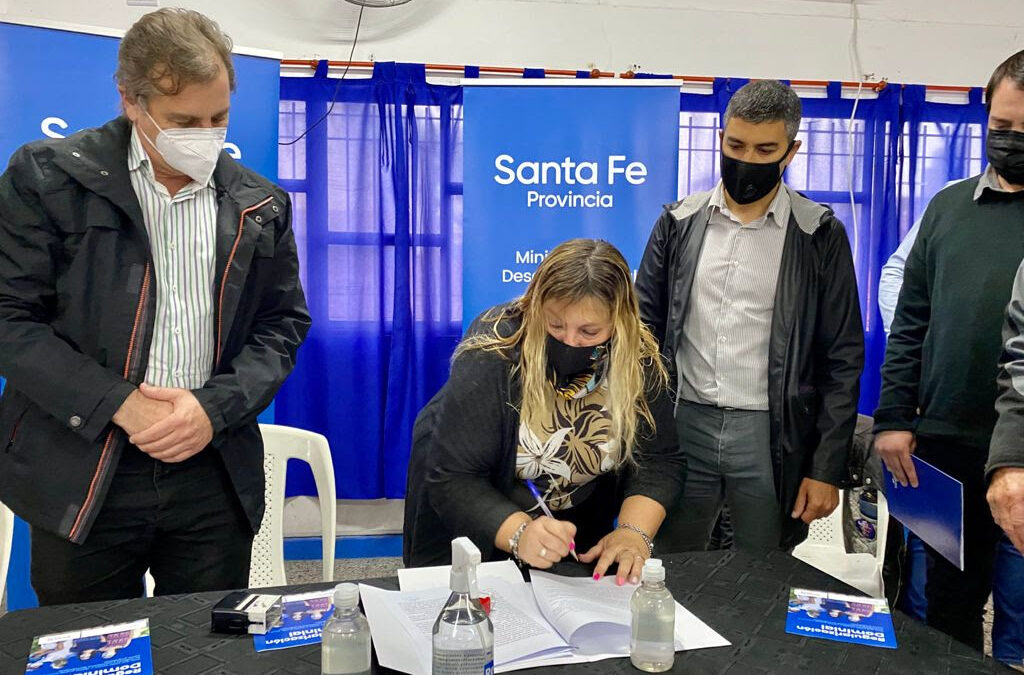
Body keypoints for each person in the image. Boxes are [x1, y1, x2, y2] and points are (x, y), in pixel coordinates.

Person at [0, 8, 310, 604]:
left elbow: (281, 326)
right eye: (183, 120)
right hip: (83, 466)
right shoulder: (47, 180)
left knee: (207, 644)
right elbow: (10, 321)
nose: (205, 134)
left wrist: (211, 409)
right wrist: (119, 405)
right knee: (88, 646)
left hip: (211, 467)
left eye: (218, 117)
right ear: (129, 100)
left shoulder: (258, 202)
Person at [636, 79, 864, 554]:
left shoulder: (819, 234)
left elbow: (842, 359)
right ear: (720, 137)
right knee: (671, 563)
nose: (748, 160)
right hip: (684, 422)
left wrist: (825, 469)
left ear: (792, 150)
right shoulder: (677, 223)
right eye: (736, 144)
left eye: (765, 149)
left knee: (764, 570)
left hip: (771, 433)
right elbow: (642, 330)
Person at [403, 239, 686, 584]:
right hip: (474, 506)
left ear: (619, 320)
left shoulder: (638, 358)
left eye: (589, 331)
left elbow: (659, 461)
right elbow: (454, 477)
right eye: (555, 325)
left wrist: (633, 532)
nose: (569, 341)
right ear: (536, 306)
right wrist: (520, 533)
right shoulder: (493, 349)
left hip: (573, 511)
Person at [874, 49, 1024, 653]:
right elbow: (909, 323)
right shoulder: (949, 208)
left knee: (1017, 607)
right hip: (943, 440)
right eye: (1002, 128)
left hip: (1020, 445)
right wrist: (892, 418)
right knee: (945, 605)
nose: (1010, 141)